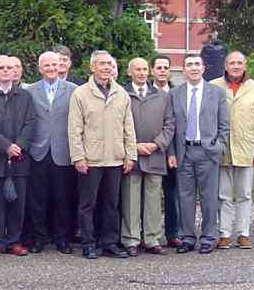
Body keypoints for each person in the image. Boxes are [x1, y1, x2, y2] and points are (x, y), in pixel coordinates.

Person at [68, 50, 136, 260]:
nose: (106, 67)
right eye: (102, 64)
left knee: (111, 204)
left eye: (109, 64)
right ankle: (89, 243)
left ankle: (109, 243)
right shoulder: (81, 93)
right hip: (91, 159)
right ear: (92, 67)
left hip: (115, 159)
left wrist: (130, 154)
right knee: (88, 205)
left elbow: (128, 126)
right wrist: (78, 157)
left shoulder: (121, 94)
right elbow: (74, 128)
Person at [166, 53, 229, 255]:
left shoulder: (217, 93)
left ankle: (209, 237)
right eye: (189, 65)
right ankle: (187, 237)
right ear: (183, 70)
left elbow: (224, 125)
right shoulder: (175, 93)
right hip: (184, 151)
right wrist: (172, 152)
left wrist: (218, 146)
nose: (193, 68)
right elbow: (170, 125)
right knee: (185, 198)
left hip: (207, 152)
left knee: (209, 197)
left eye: (197, 64)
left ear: (203, 68)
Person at [210, 51, 254, 250]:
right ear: (226, 66)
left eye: (239, 63)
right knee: (223, 195)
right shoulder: (214, 86)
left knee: (244, 194)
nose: (236, 66)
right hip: (222, 150)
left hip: (246, 149)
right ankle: (224, 234)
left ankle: (243, 233)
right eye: (232, 63)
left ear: (245, 65)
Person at [0, 55, 36, 257]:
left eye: (9, 67)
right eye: (1, 67)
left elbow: (30, 124)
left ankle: (14, 241)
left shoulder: (25, 97)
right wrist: (6, 146)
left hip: (19, 158)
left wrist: (18, 146)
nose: (5, 71)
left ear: (15, 72)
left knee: (17, 203)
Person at [120, 58, 174, 256]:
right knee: (130, 198)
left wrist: (156, 144)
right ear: (129, 72)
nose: (142, 73)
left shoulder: (162, 96)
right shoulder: (122, 95)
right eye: (137, 69)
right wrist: (133, 147)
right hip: (131, 155)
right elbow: (116, 125)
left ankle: (152, 238)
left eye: (144, 69)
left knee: (153, 199)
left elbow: (170, 124)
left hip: (155, 153)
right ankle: (131, 239)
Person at [26, 51, 77, 254]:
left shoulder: (73, 90)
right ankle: (39, 238)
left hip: (62, 151)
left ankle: (62, 238)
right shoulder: (30, 90)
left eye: (54, 65)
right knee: (38, 198)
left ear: (61, 66)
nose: (51, 69)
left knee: (62, 198)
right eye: (46, 65)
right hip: (38, 150)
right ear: (40, 68)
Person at [151, 55, 180, 248]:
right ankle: (149, 233)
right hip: (151, 150)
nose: (162, 70)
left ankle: (173, 233)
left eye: (165, 67)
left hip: (172, 152)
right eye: (158, 67)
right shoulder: (146, 92)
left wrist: (172, 152)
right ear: (152, 70)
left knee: (172, 194)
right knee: (150, 195)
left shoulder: (177, 94)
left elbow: (176, 126)